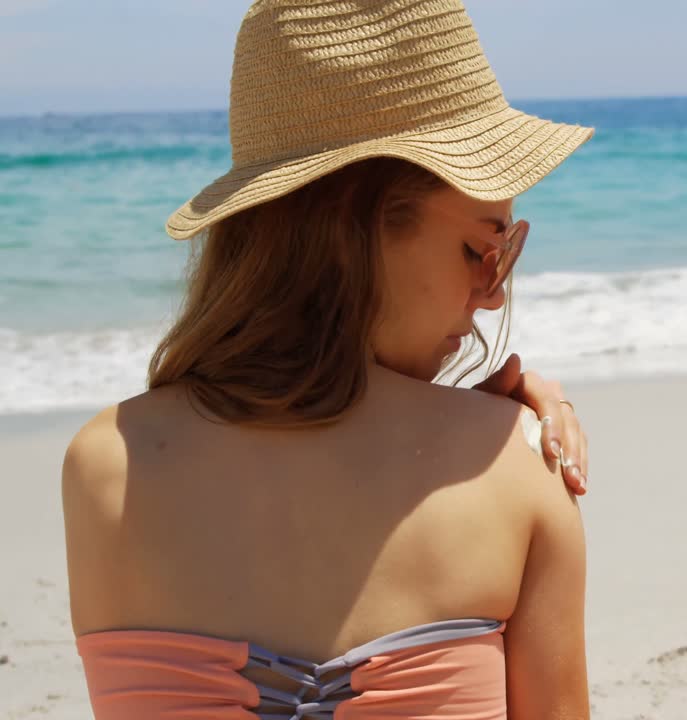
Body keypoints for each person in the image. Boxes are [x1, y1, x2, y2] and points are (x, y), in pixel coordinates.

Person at [60, 1, 596, 718]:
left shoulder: (108, 467)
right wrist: (502, 445)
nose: (492, 298)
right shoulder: (515, 476)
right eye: (481, 251)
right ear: (356, 225)